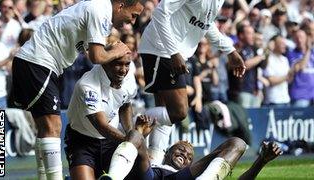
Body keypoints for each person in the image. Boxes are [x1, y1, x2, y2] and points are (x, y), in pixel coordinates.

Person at [11, 0, 144, 179]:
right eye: (133, 15)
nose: (133, 22)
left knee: (45, 128)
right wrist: (118, 51)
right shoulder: (100, 10)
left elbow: (93, 52)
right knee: (53, 126)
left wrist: (113, 51)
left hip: (37, 63)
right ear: (120, 6)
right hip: (38, 62)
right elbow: (97, 57)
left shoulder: (99, 12)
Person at [138, 0, 246, 164]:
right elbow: (159, 13)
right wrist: (173, 52)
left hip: (173, 52)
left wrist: (230, 50)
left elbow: (205, 24)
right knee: (179, 111)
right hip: (161, 49)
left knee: (165, 112)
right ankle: (133, 122)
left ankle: (154, 164)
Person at [64, 49, 152, 180]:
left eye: (127, 64)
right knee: (135, 138)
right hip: (82, 142)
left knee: (137, 143)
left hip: (110, 141)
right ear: (104, 63)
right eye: (118, 64)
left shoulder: (128, 77)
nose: (123, 70)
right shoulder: (87, 85)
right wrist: (130, 142)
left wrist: (130, 133)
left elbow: (125, 104)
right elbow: (101, 126)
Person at [103, 136, 282, 180]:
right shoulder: (154, 160)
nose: (184, 155)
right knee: (136, 135)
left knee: (238, 143)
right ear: (167, 152)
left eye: (189, 157)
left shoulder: (191, 173)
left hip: (179, 179)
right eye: (180, 150)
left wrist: (261, 161)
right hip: (149, 176)